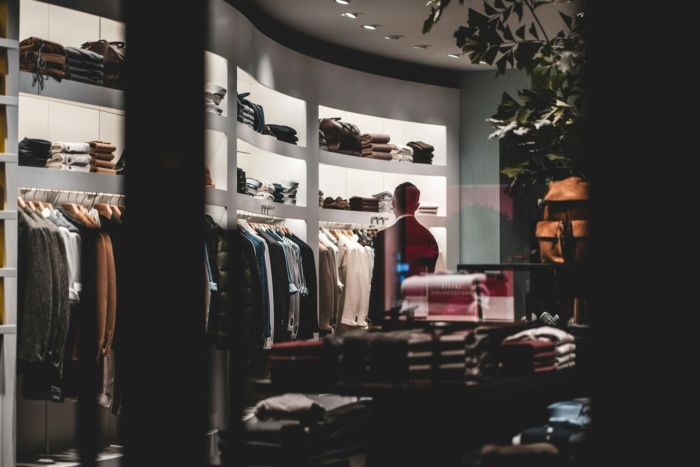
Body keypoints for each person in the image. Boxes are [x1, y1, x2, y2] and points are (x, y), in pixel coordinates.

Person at [368, 182, 440, 322]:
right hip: (419, 313)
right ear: (417, 206)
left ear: (393, 203)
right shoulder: (429, 238)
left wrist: (373, 315)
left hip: (389, 313)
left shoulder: (384, 237)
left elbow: (377, 280)